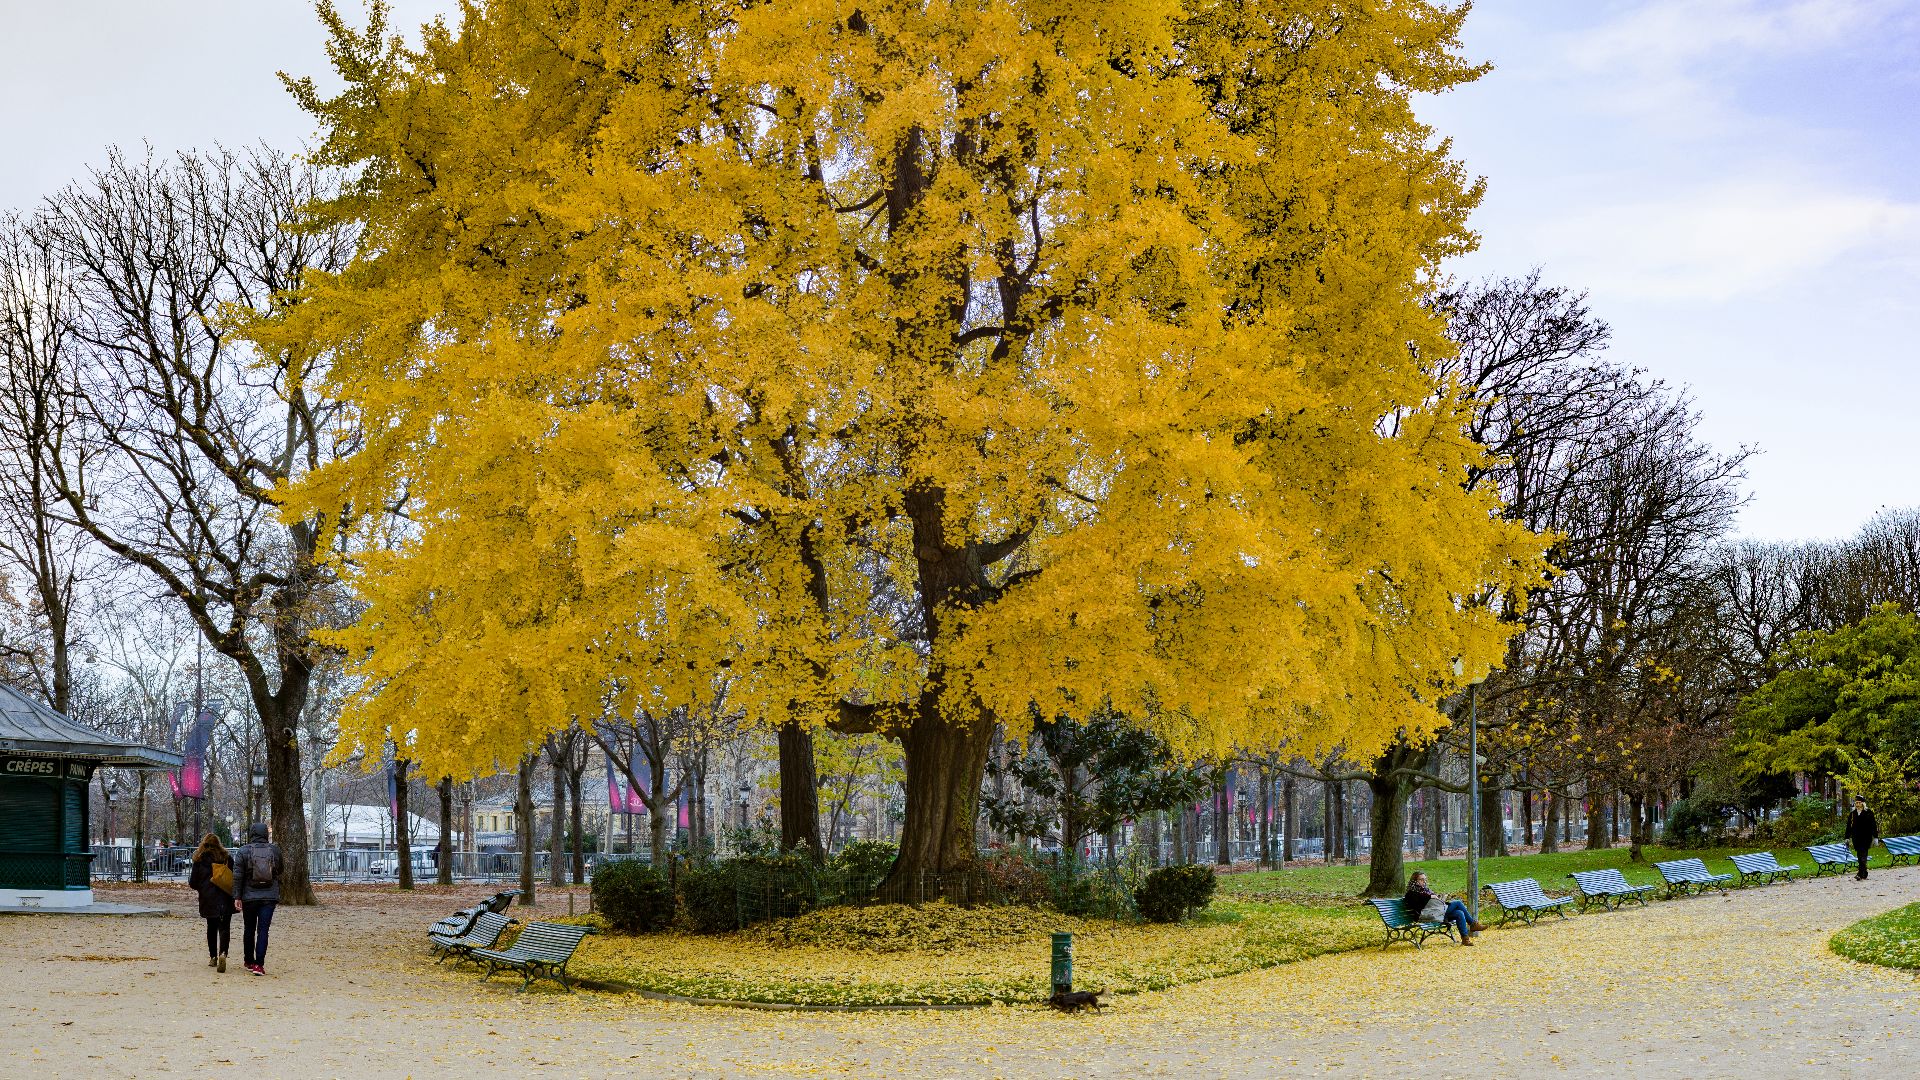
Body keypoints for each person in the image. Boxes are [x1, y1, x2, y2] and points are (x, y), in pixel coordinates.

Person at [232, 822, 284, 975]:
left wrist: (237, 896)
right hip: (269, 896)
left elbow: (237, 876)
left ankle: (249, 960)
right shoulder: (274, 850)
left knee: (249, 928)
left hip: (249, 896)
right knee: (263, 930)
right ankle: (259, 965)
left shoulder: (243, 851)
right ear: (266, 835)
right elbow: (280, 869)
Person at [186, 833, 236, 973]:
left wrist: (203, 888)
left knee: (211, 927)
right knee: (225, 927)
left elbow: (193, 883)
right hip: (225, 897)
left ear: (204, 844)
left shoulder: (199, 859)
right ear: (218, 843)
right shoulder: (226, 858)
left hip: (208, 898)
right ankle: (223, 953)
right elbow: (234, 877)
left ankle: (213, 956)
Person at [1404, 870, 1483, 945]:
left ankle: (1465, 939)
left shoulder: (1424, 890)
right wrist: (1430, 896)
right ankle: (1472, 924)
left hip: (1436, 913)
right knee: (1458, 903)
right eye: (1421, 879)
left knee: (1459, 913)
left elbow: (1431, 902)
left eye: (1425, 879)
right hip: (1426, 915)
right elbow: (1419, 902)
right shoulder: (1411, 893)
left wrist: (1434, 897)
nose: (1424, 881)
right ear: (1415, 881)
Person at [1846, 796, 1879, 881]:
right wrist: (1847, 837)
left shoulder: (1869, 812)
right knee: (1859, 856)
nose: (1857, 804)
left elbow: (1873, 825)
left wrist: (1875, 837)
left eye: (1859, 803)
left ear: (1863, 803)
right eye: (1856, 803)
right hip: (1856, 838)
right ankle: (1864, 873)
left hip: (1866, 838)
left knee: (1863, 856)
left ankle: (1860, 874)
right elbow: (1848, 827)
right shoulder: (1852, 814)